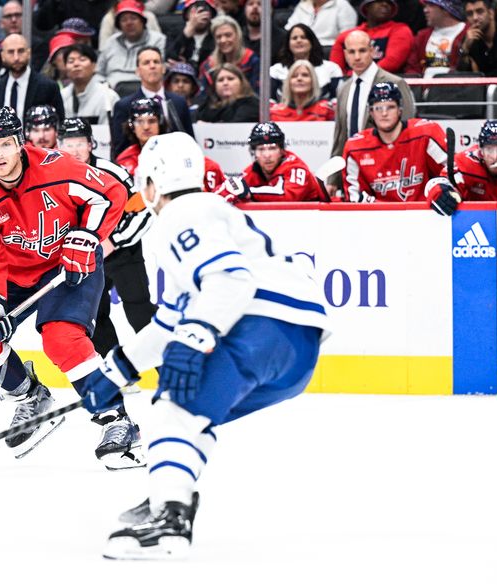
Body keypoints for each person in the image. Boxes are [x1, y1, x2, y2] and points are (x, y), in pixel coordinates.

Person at [81, 131, 329, 559]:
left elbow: (230, 280)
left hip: (256, 326)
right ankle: (169, 489)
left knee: (172, 410)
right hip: (298, 351)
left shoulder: (182, 214)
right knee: (192, 417)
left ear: (152, 183)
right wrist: (115, 371)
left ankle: (171, 518)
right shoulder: (211, 211)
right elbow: (170, 320)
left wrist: (196, 337)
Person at [0, 107, 137, 465]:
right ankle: (30, 396)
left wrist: (87, 237)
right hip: (15, 275)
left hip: (68, 262)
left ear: (20, 143)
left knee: (61, 338)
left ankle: (116, 418)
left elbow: (110, 192)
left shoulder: (58, 167)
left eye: (6, 144)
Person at [58, 117, 155, 470]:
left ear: (91, 144)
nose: (73, 149)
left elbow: (141, 209)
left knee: (139, 311)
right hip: (88, 259)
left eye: (79, 142)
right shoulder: (59, 174)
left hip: (123, 253)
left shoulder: (113, 172)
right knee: (96, 317)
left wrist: (116, 241)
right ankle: (120, 372)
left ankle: (173, 368)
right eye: (67, 143)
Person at [328, 29, 415, 197]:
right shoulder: (344, 89)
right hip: (354, 171)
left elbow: (408, 131)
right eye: (352, 52)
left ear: (372, 51)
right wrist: (333, 179)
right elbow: (340, 137)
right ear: (345, 54)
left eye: (362, 50)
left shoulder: (395, 82)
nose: (357, 57)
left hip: (389, 173)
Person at [343, 82, 447, 203]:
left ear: (400, 109)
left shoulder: (426, 134)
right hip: (379, 219)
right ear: (371, 112)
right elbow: (355, 198)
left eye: (390, 107)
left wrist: (439, 190)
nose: (384, 113)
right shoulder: (355, 148)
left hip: (425, 213)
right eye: (378, 108)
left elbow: (451, 173)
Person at [117, 97, 225, 192]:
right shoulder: (125, 160)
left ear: (161, 122)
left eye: (152, 121)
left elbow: (211, 167)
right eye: (139, 121)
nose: (146, 127)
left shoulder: (178, 149)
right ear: (131, 125)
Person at [427, 120, 497, 216]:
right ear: (480, 151)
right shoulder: (465, 163)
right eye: (489, 149)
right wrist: (437, 190)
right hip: (470, 223)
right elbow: (439, 183)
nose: (495, 156)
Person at [110, 47, 195, 159]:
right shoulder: (124, 106)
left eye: (156, 62)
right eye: (146, 63)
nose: (152, 66)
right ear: (137, 71)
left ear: (164, 68)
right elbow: (120, 149)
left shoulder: (179, 102)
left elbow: (190, 141)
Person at [220, 122, 329, 203]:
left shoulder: (296, 167)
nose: (267, 155)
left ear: (282, 150)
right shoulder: (253, 170)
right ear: (254, 152)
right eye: (261, 149)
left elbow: (288, 198)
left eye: (272, 148)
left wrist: (248, 192)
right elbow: (228, 189)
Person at [0, 34, 65, 125]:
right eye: (11, 52)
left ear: (28, 53)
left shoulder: (47, 86)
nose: (16, 57)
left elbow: (59, 122)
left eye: (21, 51)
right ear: (2, 56)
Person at [329, 0, 414, 75]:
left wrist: (357, 76)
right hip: (350, 83)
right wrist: (348, 79)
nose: (385, 4)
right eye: (379, 1)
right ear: (366, 7)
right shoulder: (347, 35)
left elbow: (392, 63)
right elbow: (336, 67)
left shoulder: (400, 30)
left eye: (389, 2)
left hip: (387, 83)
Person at [97, 0, 167, 88]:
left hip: (144, 88)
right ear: (119, 25)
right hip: (111, 91)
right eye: (124, 20)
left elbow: (161, 69)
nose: (129, 23)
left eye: (133, 18)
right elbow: (99, 72)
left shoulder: (158, 40)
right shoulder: (110, 42)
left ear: (142, 22)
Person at [270, 24, 343, 101]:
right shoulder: (275, 70)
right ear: (288, 44)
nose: (299, 41)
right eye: (294, 38)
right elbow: (270, 101)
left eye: (303, 37)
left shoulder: (331, 69)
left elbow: (337, 101)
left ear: (312, 42)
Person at [199, 15, 260, 95]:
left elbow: (257, 93)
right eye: (218, 37)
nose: (223, 40)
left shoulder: (252, 61)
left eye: (228, 35)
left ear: (238, 36)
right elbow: (203, 96)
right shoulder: (208, 66)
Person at [457, 0, 497, 77]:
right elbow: (462, 75)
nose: (475, 18)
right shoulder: (470, 40)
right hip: (483, 86)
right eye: (470, 14)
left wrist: (478, 78)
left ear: (491, 13)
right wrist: (465, 49)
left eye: (480, 11)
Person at [62, 44, 120, 125]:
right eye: (71, 61)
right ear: (65, 68)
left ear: (94, 66)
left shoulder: (108, 97)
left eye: (82, 59)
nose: (76, 64)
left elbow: (110, 133)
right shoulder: (61, 96)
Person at [405, 0, 467, 76]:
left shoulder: (468, 33)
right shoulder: (422, 36)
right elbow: (412, 68)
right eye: (425, 6)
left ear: (445, 9)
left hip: (457, 85)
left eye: (430, 5)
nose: (425, 10)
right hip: (425, 86)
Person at [270, 60, 336, 122]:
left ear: (313, 81)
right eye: (294, 76)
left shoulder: (327, 110)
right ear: (288, 83)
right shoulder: (274, 112)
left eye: (305, 75)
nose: (299, 78)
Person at [284, 0, 358, 51]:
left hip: (327, 49)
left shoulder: (342, 5)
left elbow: (347, 37)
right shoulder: (303, 4)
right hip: (301, 47)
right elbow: (289, 29)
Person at [165, 0, 216, 70]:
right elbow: (169, 58)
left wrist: (187, 66)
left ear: (211, 15)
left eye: (204, 11)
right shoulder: (175, 31)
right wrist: (185, 35)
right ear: (186, 14)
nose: (199, 16)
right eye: (195, 11)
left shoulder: (216, 33)